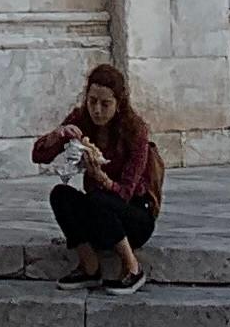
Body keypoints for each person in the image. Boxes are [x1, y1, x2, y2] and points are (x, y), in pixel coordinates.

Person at [31, 63, 163, 297]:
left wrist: (101, 178)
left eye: (105, 104)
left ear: (118, 104)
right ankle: (89, 266)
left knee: (99, 198)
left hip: (134, 214)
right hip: (98, 212)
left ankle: (132, 267)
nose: (97, 110)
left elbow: (126, 191)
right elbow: (39, 156)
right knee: (60, 195)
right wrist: (57, 135)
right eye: (92, 102)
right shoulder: (81, 120)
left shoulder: (135, 131)